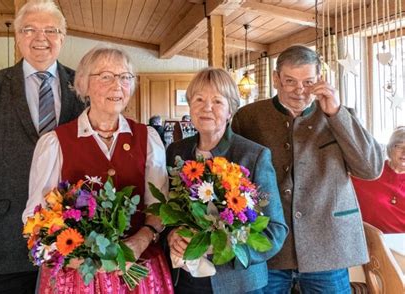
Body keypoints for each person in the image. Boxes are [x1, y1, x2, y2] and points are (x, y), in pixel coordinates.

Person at [232, 45, 384, 293]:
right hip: (268, 247)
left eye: (308, 81)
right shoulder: (248, 117)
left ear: (320, 79)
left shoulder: (339, 114)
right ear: (275, 78)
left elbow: (371, 168)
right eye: (290, 81)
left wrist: (336, 113)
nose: (299, 90)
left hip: (328, 247)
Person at [0, 0, 85, 293]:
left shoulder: (83, 87)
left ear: (62, 38)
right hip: (6, 244)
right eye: (30, 30)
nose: (41, 38)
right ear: (17, 37)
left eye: (51, 30)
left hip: (75, 242)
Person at [22, 46, 174, 293]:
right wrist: (75, 255)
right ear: (83, 84)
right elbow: (37, 217)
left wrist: (140, 239)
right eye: (105, 76)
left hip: (136, 272)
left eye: (125, 77)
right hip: (76, 277)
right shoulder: (55, 142)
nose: (117, 85)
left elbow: (159, 208)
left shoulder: (148, 138)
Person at [166, 67, 288, 293]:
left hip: (238, 283)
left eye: (217, 102)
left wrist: (223, 247)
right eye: (199, 99)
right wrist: (172, 235)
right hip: (186, 281)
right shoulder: (176, 152)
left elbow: (275, 230)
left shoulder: (253, 156)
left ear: (230, 110)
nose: (207, 108)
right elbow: (166, 213)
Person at [352, 126, 405, 233]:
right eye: (400, 147)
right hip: (370, 241)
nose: (404, 152)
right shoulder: (371, 171)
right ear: (390, 148)